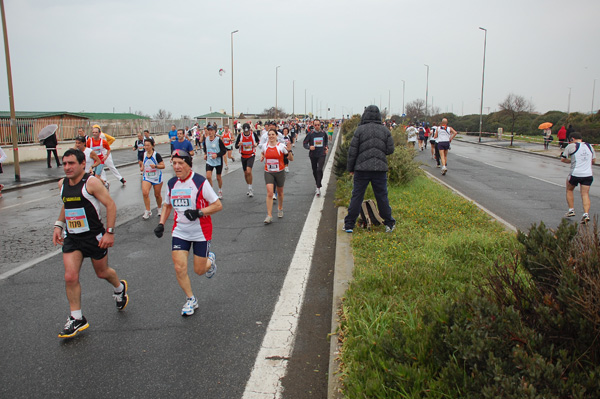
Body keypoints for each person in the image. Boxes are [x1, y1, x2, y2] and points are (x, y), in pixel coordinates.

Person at [52, 148, 128, 338]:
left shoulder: (91, 183)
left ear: (82, 165)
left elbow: (110, 205)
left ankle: (119, 288)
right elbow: (66, 204)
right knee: (70, 276)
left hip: (94, 237)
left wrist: (109, 233)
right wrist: (58, 225)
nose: (67, 167)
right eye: (65, 163)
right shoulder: (63, 184)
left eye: (71, 163)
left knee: (102, 273)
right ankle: (77, 318)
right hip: (73, 238)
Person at [153, 149, 222, 316]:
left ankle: (209, 260)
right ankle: (191, 299)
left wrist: (199, 212)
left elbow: (217, 205)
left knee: (199, 270)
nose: (176, 167)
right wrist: (161, 223)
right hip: (180, 231)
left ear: (188, 165)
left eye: (180, 163)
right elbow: (167, 205)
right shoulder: (171, 184)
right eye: (174, 163)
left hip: (201, 231)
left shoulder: (200, 182)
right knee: (179, 267)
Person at [343, 105, 396, 233]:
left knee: (357, 196)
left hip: (361, 168)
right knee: (382, 196)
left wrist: (351, 168)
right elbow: (390, 150)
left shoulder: (359, 130)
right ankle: (389, 223)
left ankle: (349, 224)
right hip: (380, 169)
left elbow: (352, 152)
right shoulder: (385, 131)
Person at [561, 132, 596, 224]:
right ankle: (586, 214)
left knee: (569, 189)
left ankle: (571, 209)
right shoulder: (590, 146)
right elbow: (594, 160)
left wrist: (571, 161)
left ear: (572, 139)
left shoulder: (571, 146)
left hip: (575, 173)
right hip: (588, 174)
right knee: (585, 194)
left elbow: (563, 159)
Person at [260, 129, 289, 224]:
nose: (271, 136)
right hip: (268, 172)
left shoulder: (281, 146)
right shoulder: (264, 146)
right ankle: (269, 215)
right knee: (269, 192)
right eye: (269, 135)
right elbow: (263, 152)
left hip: (279, 171)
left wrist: (290, 151)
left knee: (280, 192)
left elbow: (289, 157)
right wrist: (262, 156)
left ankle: (280, 208)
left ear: (276, 136)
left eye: (273, 134)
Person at [303, 119, 328, 196]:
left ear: (320, 125)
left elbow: (326, 142)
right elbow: (304, 143)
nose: (317, 126)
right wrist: (309, 147)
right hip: (313, 155)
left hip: (322, 154)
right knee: (314, 170)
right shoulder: (310, 134)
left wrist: (326, 147)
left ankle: (318, 187)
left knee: (319, 169)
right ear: (313, 125)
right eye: (315, 125)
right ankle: (317, 182)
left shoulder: (323, 133)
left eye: (318, 125)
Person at [141, 138, 165, 219]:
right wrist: (142, 167)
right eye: (145, 145)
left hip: (156, 178)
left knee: (157, 195)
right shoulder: (144, 154)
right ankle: (148, 210)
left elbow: (163, 166)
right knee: (145, 193)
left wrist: (155, 166)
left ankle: (159, 208)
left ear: (152, 145)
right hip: (147, 177)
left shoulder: (156, 155)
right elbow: (142, 163)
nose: (146, 147)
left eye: (148, 145)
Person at [202, 124, 227, 199]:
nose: (210, 132)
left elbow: (224, 151)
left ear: (215, 132)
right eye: (209, 130)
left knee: (218, 177)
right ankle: (211, 191)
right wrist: (205, 154)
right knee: (208, 176)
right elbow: (205, 148)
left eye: (211, 130)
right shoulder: (206, 139)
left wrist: (217, 155)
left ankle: (220, 190)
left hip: (218, 161)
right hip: (209, 161)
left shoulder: (218, 140)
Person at [235, 122, 260, 197]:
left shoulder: (253, 134)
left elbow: (258, 141)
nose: (246, 132)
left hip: (251, 155)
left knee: (249, 171)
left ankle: (250, 188)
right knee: (246, 173)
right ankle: (249, 186)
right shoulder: (240, 135)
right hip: (243, 156)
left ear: (249, 129)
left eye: (247, 131)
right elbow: (236, 146)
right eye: (245, 131)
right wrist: (239, 144)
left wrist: (256, 144)